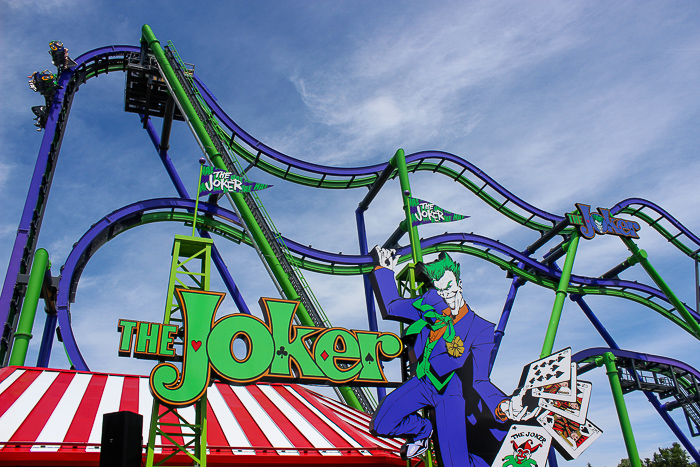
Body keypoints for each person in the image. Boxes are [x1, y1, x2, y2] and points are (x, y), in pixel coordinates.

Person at [368, 247, 531, 467]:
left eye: (450, 288)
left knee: (456, 463)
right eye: (440, 292)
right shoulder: (428, 306)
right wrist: (384, 270)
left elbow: (480, 380)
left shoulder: (480, 329)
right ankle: (423, 430)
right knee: (382, 422)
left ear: (459, 285)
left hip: (450, 394)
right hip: (423, 383)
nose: (447, 297)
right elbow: (392, 306)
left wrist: (502, 405)